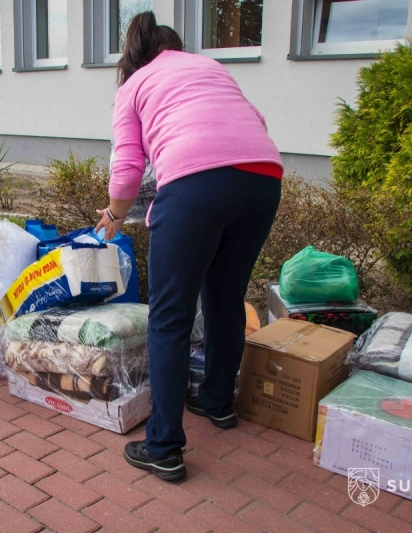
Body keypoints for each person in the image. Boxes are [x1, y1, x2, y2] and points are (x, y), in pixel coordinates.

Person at [95, 12, 283, 481]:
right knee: (225, 295)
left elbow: (127, 166)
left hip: (196, 182)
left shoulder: (134, 85)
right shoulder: (210, 68)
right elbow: (253, 120)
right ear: (175, 47)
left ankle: (163, 446)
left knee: (170, 315)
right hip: (263, 178)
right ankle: (217, 401)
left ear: (134, 56)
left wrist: (116, 216)